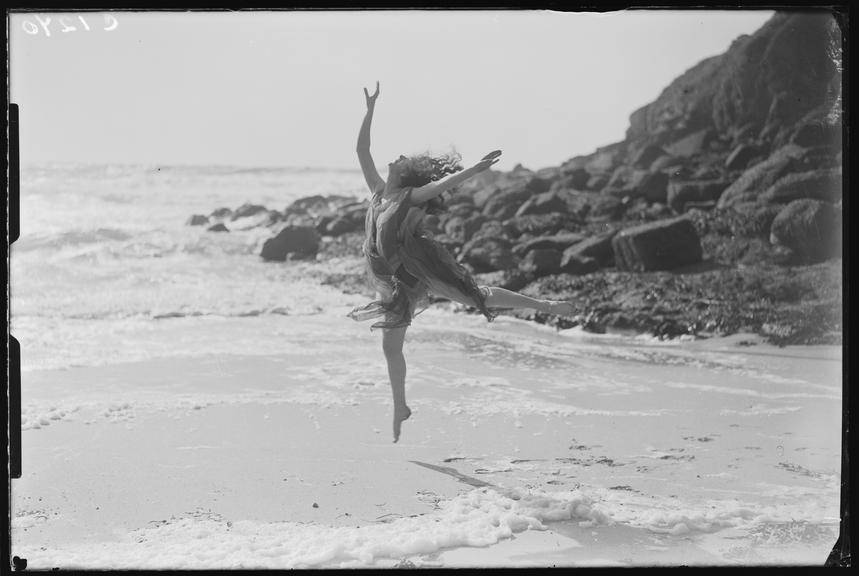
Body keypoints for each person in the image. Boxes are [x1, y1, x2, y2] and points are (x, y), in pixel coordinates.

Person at [348, 82, 574, 442]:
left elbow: (442, 185)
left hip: (413, 271)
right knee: (390, 348)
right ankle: (400, 406)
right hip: (389, 276)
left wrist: (477, 169)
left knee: (475, 295)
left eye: (403, 159)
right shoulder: (378, 191)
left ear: (406, 174)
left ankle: (545, 304)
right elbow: (362, 149)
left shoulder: (410, 194)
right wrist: (370, 109)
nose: (399, 156)